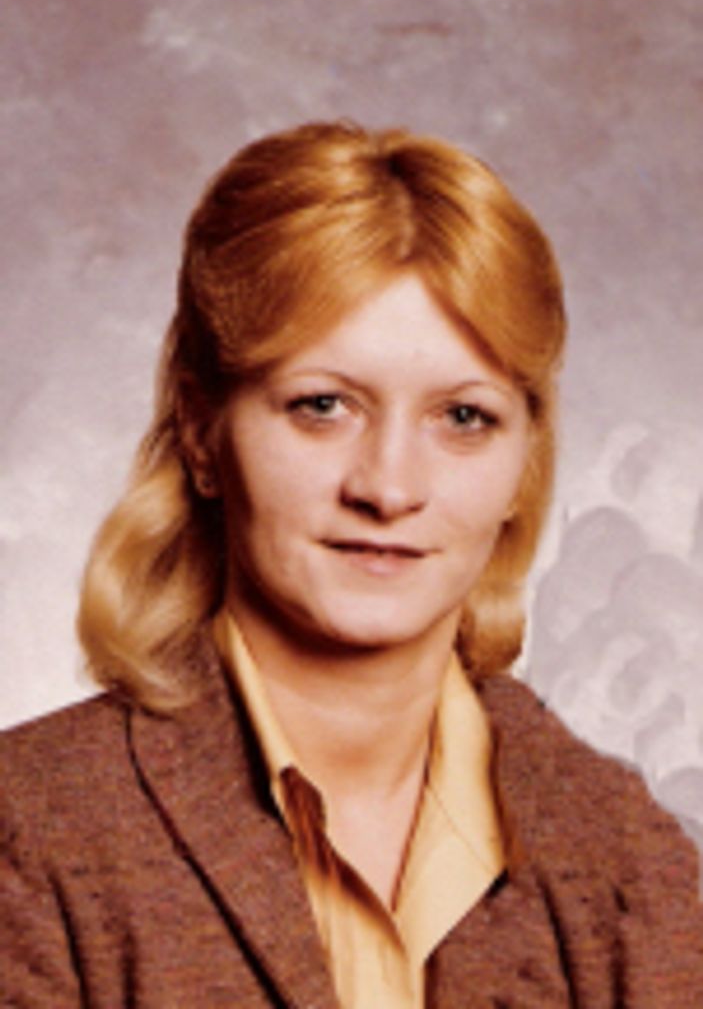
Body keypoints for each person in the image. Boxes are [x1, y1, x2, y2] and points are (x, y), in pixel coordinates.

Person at [1, 121, 701, 1008]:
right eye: (322, 406)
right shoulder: (27, 836)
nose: (388, 487)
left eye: (463, 418)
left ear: (525, 464)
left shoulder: (630, 863)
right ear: (201, 431)